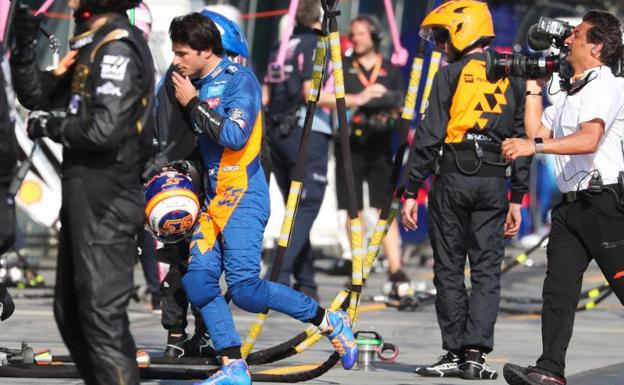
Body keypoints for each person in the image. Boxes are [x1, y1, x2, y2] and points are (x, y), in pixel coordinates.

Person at [167, 13, 357, 384]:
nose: (176, 60)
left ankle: (329, 321)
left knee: (246, 291)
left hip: (243, 197)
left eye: (183, 53)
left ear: (207, 51)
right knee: (199, 283)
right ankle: (233, 365)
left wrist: (192, 104)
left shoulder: (241, 82)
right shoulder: (189, 82)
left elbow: (235, 137)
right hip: (213, 200)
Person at [10, 1, 154, 384]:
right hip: (83, 197)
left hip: (108, 201)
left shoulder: (117, 47)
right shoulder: (92, 43)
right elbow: (38, 95)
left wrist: (52, 127)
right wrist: (22, 49)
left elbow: (104, 130)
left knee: (101, 318)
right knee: (71, 312)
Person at [400, 1, 530, 379]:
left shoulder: (450, 74)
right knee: (487, 270)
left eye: (443, 37)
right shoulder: (514, 75)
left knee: (450, 269)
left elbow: (428, 136)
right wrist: (517, 198)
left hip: (454, 176)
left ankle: (455, 351)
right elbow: (523, 139)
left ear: (463, 32)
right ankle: (476, 354)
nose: (441, 45)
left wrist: (411, 190)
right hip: (494, 179)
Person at [501, 10, 624, 385]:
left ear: (597, 46)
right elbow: (537, 128)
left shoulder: (606, 85)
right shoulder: (574, 87)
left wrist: (532, 147)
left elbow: (588, 139)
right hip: (572, 205)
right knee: (558, 290)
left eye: (577, 35)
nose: (568, 40)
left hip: (604, 202)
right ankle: (550, 369)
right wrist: (535, 86)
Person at [152, 9, 252, 359]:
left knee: (202, 265)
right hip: (185, 182)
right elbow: (173, 134)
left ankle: (202, 332)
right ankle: (179, 334)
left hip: (208, 182)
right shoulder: (180, 80)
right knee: (181, 263)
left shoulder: (223, 79)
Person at [333, 15, 407, 291]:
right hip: (350, 144)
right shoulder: (342, 66)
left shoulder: (391, 68)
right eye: (353, 34)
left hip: (381, 145)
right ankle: (358, 266)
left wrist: (389, 107)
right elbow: (322, 97)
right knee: (352, 208)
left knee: (383, 208)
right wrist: (360, 99)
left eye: (361, 34)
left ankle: (396, 268)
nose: (355, 39)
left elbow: (403, 103)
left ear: (374, 36)